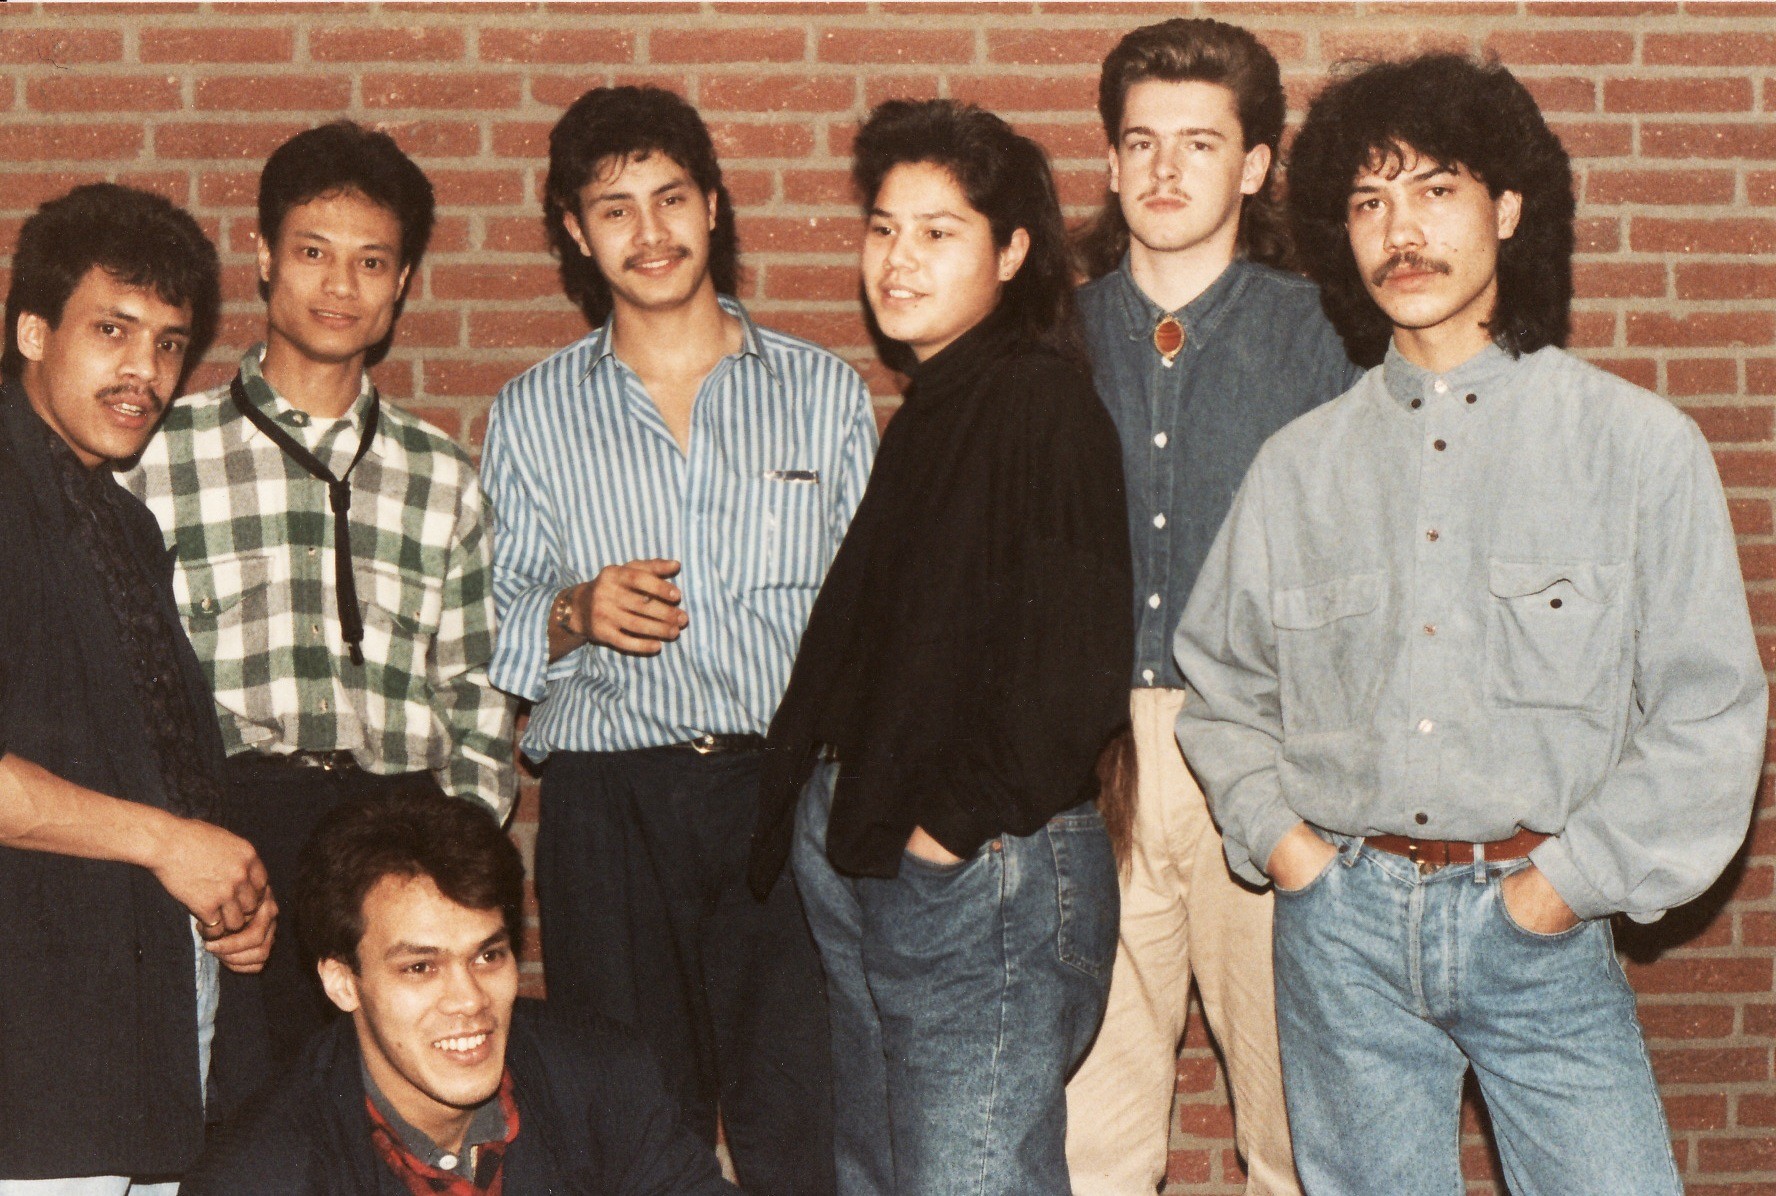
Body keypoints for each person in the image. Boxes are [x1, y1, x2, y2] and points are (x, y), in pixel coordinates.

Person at [1174, 53, 1766, 1195]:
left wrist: (1561, 886)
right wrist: (1293, 854)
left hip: (1540, 924)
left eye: (1435, 189)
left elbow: (1710, 717)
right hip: (1341, 934)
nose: (1400, 230)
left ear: (1506, 207)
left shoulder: (1638, 448)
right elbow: (1221, 694)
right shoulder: (1298, 469)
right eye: (1367, 201)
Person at [482, 85, 875, 1195]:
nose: (648, 233)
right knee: (633, 1129)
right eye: (614, 209)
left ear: (713, 203)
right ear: (575, 230)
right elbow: (490, 620)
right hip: (611, 809)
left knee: (804, 1126)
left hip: (781, 796)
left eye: (669, 199)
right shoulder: (532, 413)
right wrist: (575, 610)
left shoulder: (823, 394)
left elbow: (876, 620)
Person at [749, 98, 1131, 1195]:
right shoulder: (940, 401)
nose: (898, 259)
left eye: (937, 231)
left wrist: (946, 834)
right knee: (882, 1175)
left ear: (1010, 253)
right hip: (879, 844)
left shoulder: (1037, 401)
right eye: (883, 228)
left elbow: (1074, 672)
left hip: (975, 865)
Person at [125, 121, 517, 1070]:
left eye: (371, 262)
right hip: (233, 827)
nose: (341, 286)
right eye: (313, 252)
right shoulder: (161, 455)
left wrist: (451, 860)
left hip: (397, 827)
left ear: (402, 281)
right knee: (241, 1104)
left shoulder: (442, 475)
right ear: (263, 256)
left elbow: (476, 692)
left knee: (393, 1106)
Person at [1064, 20, 1358, 1195]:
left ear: (1253, 165)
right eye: (1141, 141)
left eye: (1200, 142)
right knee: (1092, 1125)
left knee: (1296, 1121)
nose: (1165, 169)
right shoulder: (1055, 335)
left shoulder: (1326, 337)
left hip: (1264, 747)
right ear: (1110, 160)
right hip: (1093, 758)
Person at [0, 183, 275, 1192]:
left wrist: (226, 896)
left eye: (168, 344)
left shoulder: (123, 523)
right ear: (33, 331)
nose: (145, 372)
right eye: (111, 330)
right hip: (30, 1052)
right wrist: (170, 843)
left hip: (144, 1020)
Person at [182, 788, 739, 1195]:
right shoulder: (262, 1175)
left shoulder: (603, 1079)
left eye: (487, 956)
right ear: (343, 982)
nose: (470, 999)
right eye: (421, 968)